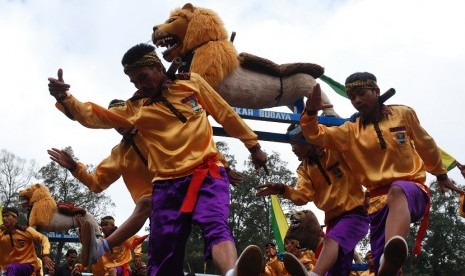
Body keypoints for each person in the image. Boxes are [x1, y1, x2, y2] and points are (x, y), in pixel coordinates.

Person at [48, 43, 268, 276]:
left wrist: (253, 146)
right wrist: (66, 98)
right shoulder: (135, 113)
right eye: (134, 82)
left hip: (207, 172)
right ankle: (103, 247)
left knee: (214, 222)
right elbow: (93, 116)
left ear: (157, 66)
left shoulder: (190, 83)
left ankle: (233, 272)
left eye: (143, 77)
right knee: (163, 253)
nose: (140, 85)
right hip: (166, 186)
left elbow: (224, 113)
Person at [300, 72, 465, 275]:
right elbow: (315, 135)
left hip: (411, 189)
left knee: (398, 191)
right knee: (384, 269)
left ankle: (390, 252)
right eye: (352, 97)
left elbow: (426, 144)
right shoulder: (350, 131)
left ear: (376, 91)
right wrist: (310, 111)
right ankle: (387, 260)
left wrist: (440, 174)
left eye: (361, 94)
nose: (357, 100)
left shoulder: (403, 114)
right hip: (377, 204)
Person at [256, 124, 369, 276]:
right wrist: (283, 190)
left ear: (307, 139)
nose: (292, 149)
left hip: (355, 214)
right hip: (332, 221)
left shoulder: (335, 150)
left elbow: (363, 165)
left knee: (331, 240)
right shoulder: (304, 168)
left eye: (294, 144)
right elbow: (303, 196)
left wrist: (370, 195)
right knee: (337, 269)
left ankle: (314, 274)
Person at [0, 207, 54, 275]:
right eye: (3, 216)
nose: (4, 218)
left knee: (12, 268)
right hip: (7, 269)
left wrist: (46, 255)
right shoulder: (1, 234)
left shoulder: (26, 230)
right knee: (10, 268)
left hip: (28, 266)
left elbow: (44, 239)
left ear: (15, 218)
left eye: (7, 215)